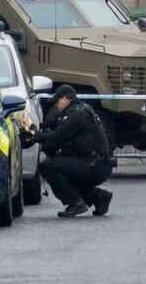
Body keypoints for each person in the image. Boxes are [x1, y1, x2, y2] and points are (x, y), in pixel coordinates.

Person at [25, 84, 113, 218]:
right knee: (62, 168)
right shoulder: (77, 110)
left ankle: (75, 203)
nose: (57, 106)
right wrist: (36, 134)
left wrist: (36, 136)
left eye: (58, 102)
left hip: (95, 165)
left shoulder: (78, 114)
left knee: (49, 167)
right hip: (94, 163)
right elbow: (56, 137)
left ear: (66, 99)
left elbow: (56, 137)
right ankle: (98, 197)